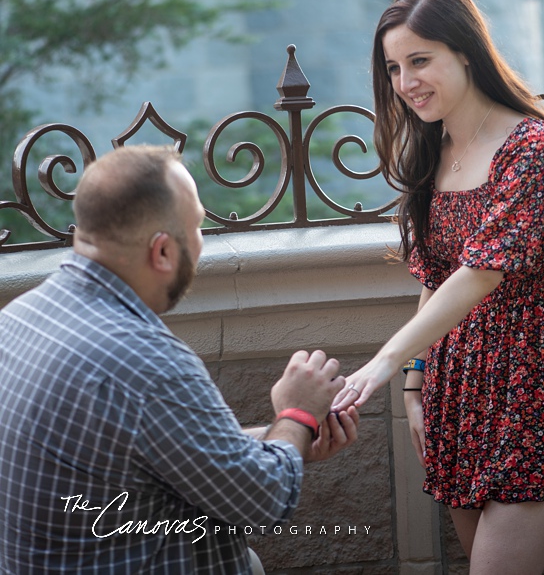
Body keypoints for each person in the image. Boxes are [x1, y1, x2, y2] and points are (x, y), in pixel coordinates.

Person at [331, 0, 544, 574]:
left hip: (530, 388)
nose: (407, 83)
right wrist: (414, 383)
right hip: (455, 389)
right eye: (395, 68)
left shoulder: (531, 147)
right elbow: (435, 278)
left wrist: (381, 363)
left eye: (420, 60)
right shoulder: (435, 153)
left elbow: (480, 274)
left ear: (466, 51)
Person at [0, 145, 360, 574]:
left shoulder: (17, 320)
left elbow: (153, 446)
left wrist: (279, 437)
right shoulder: (147, 363)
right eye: (198, 228)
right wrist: (298, 413)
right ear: (164, 252)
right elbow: (262, 501)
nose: (202, 244)